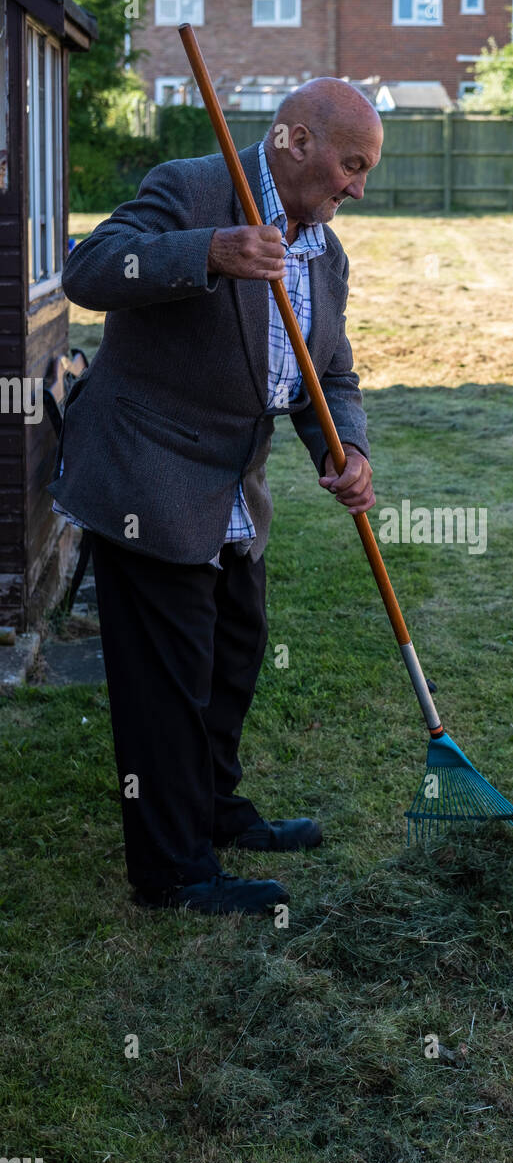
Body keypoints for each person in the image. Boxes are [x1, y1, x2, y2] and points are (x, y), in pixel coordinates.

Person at [48, 79, 383, 916]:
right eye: (350, 165)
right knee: (166, 684)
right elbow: (88, 271)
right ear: (296, 142)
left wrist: (348, 451)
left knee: (233, 654)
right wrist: (207, 252)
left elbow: (327, 373)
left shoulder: (325, 253)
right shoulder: (194, 187)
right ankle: (172, 870)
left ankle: (212, 808)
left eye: (366, 172)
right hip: (146, 472)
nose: (357, 187)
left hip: (236, 482)